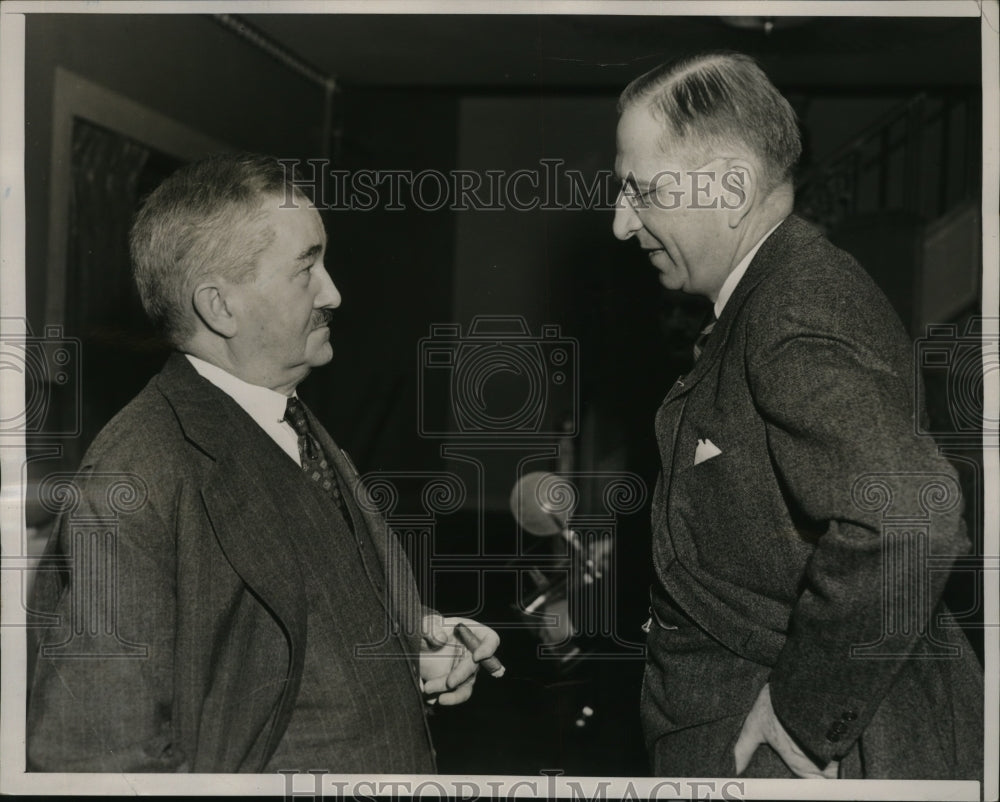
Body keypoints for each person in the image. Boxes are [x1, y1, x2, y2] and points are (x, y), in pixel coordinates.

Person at [26, 153, 499, 773]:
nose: (334, 292)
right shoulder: (136, 475)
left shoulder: (283, 415)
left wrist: (416, 643)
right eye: (307, 268)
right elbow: (97, 756)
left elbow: (295, 627)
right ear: (220, 307)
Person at [612, 52, 982, 779]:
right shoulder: (770, 296)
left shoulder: (792, 307)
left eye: (642, 191)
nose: (623, 223)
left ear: (731, 188)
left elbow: (908, 513)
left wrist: (803, 714)